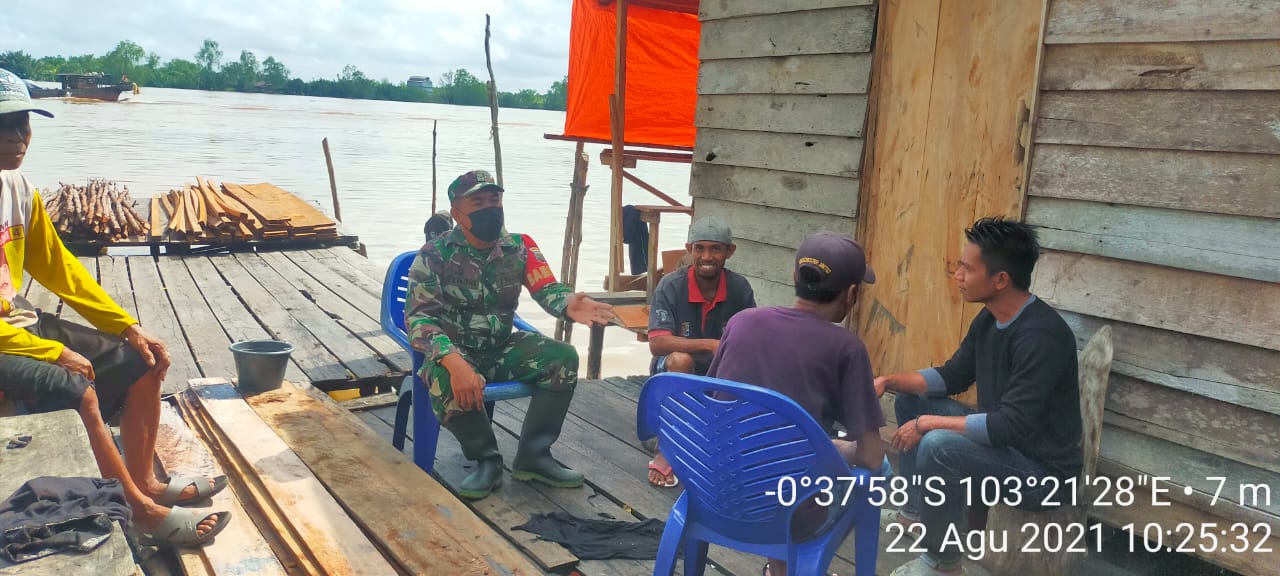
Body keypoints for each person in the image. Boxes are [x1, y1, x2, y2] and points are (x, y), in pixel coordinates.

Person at [0, 67, 229, 547]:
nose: (20, 136)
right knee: (78, 387)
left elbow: (61, 268)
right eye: (4, 125)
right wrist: (48, 353)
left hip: (13, 321)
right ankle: (140, 513)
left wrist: (127, 327)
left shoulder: (18, 190)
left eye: (23, 121)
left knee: (143, 362)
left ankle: (145, 482)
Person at [874, 217, 1081, 576]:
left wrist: (926, 424)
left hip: (1041, 474)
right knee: (909, 401)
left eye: (967, 268)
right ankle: (916, 514)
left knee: (938, 444)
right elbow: (952, 376)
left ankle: (944, 565)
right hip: (1008, 449)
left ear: (1000, 279)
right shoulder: (988, 320)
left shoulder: (1040, 336)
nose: (957, 275)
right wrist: (889, 380)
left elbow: (1009, 428)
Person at [406, 169, 615, 500]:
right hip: (455, 351)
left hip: (502, 346)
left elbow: (547, 287)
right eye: (479, 202)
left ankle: (534, 456)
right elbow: (419, 320)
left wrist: (568, 303)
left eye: (495, 199)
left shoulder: (520, 246)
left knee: (562, 357)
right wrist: (453, 360)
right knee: (444, 378)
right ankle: (486, 460)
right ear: (458, 212)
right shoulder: (435, 254)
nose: (490, 207)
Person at [705, 231, 886, 576]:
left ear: (794, 277)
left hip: (716, 496)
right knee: (878, 469)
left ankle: (779, 569)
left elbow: (712, 402)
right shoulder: (846, 347)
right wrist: (836, 447)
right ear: (852, 294)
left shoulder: (741, 323)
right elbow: (871, 455)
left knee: (769, 453)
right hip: (789, 515)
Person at [644, 215, 755, 487]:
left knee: (750, 365)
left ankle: (732, 445)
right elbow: (657, 343)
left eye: (716, 249)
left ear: (729, 252)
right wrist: (707, 344)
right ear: (689, 249)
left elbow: (753, 338)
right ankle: (665, 449)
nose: (707, 256)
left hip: (720, 370)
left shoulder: (739, 288)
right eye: (700, 248)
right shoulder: (671, 285)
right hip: (673, 371)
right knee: (681, 360)